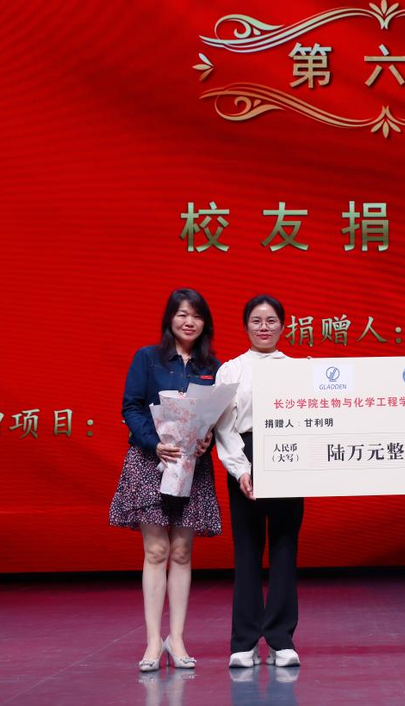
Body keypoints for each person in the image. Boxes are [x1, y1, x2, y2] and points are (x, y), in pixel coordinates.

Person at [109, 288, 222, 672]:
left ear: (205, 322)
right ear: (169, 318)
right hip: (151, 462)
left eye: (196, 315)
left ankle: (177, 638)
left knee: (182, 553)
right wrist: (154, 443)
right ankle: (153, 642)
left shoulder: (213, 366)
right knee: (156, 551)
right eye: (181, 314)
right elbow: (131, 407)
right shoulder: (147, 358)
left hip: (192, 467)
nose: (189, 321)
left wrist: (207, 438)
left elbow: (215, 418)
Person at [215, 295, 304, 669]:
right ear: (245, 326)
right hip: (245, 454)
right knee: (247, 549)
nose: (264, 327)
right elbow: (224, 426)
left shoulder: (299, 370)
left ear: (283, 326)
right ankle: (245, 641)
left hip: (289, 456)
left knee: (284, 546)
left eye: (271, 320)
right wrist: (241, 469)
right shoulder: (231, 370)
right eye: (256, 320)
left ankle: (281, 640)